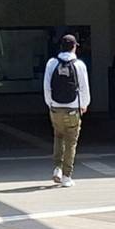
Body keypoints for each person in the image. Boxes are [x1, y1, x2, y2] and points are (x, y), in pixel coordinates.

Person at [43, 34, 90, 187]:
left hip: (55, 107)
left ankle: (57, 168)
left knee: (58, 136)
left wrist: (50, 103)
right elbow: (84, 87)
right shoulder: (79, 65)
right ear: (74, 47)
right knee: (71, 141)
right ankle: (66, 176)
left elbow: (47, 86)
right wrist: (84, 104)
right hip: (73, 108)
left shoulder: (51, 63)